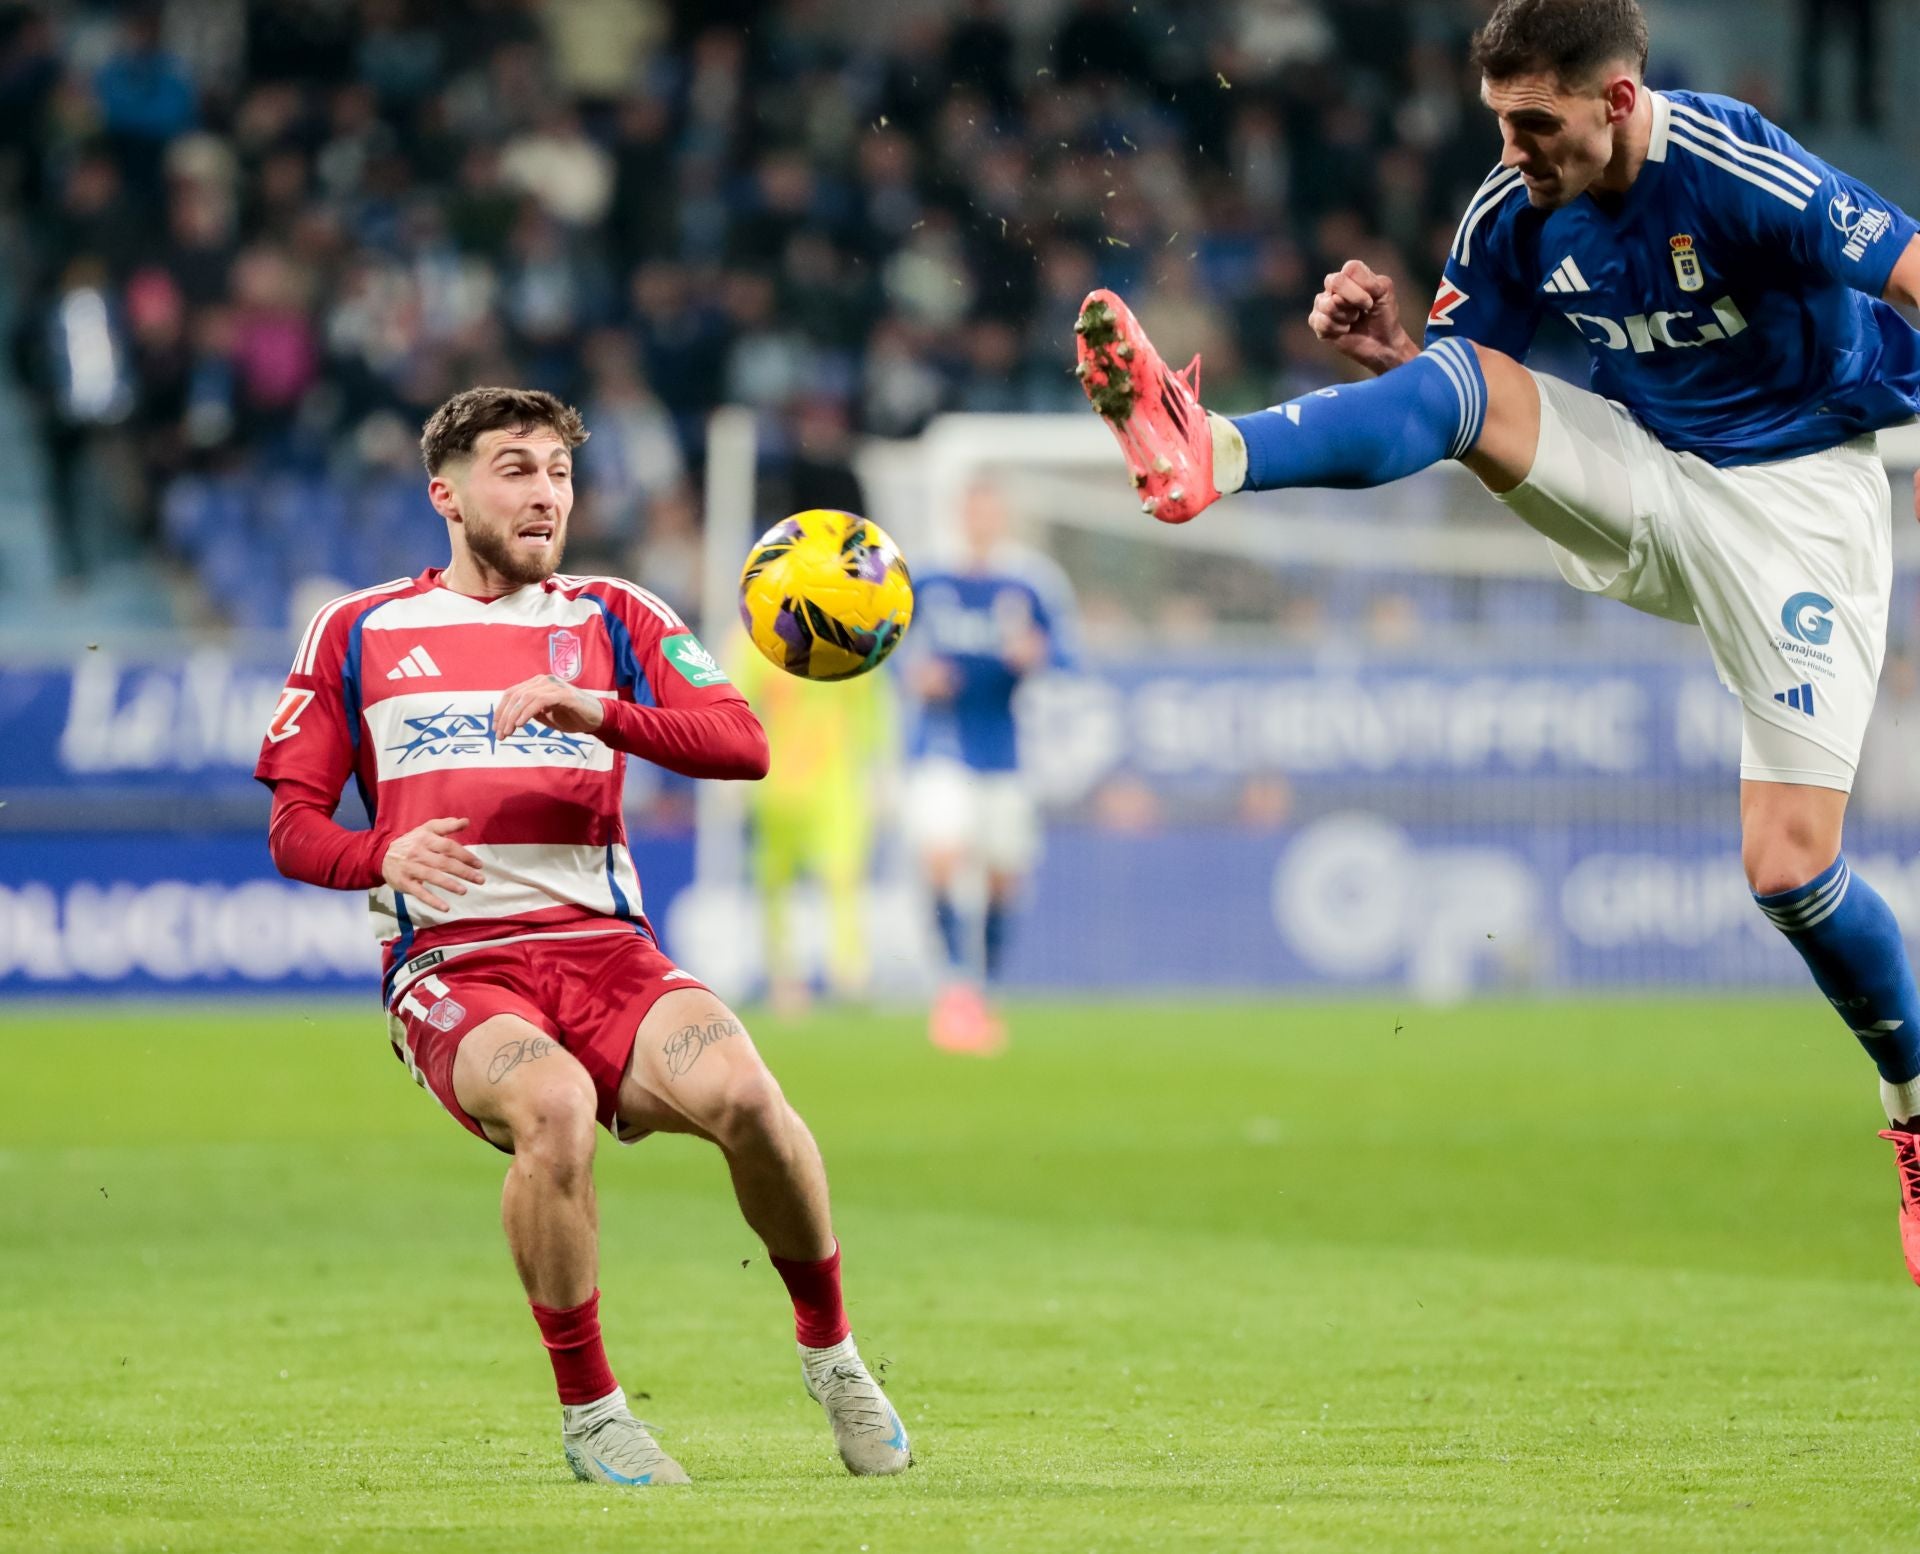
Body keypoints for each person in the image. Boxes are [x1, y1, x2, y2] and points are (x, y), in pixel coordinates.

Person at [1077, 0, 1920, 1276]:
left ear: (1619, 101)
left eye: (1539, 122)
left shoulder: (1738, 165)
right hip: (1649, 470)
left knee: (1788, 869)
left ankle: (1915, 1116)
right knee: (1468, 383)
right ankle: (1216, 452)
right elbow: (1467, 400)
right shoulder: (1511, 211)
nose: (1517, 147)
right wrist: (1399, 359)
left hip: (1803, 504)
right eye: (1500, 122)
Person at [254, 387, 910, 1486]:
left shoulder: (612, 611)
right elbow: (293, 828)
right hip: (453, 964)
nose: (545, 491)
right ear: (446, 494)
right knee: (552, 1108)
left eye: (558, 471)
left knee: (750, 1096)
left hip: (606, 949)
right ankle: (594, 1414)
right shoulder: (360, 628)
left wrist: (597, 709)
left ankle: (833, 1354)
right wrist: (381, 857)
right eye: (515, 468)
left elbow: (741, 744)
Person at [902, 478, 1076, 1054]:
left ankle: (988, 987)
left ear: (1002, 517)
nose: (981, 519)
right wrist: (912, 677)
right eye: (973, 509)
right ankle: (956, 987)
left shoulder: (1030, 582)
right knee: (943, 856)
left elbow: (1067, 657)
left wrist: (1039, 656)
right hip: (941, 746)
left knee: (1004, 878)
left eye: (990, 510)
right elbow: (883, 647)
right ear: (961, 514)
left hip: (1005, 750)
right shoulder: (926, 580)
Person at [731, 627, 897, 1015]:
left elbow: (874, 706)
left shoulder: (854, 637)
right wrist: (734, 769)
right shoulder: (757, 639)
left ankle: (849, 975)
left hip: (836, 784)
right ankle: (784, 979)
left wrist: (881, 769)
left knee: (843, 876)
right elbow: (736, 702)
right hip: (774, 783)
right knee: (773, 882)